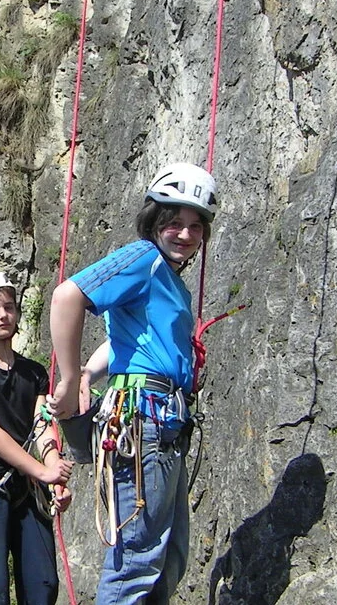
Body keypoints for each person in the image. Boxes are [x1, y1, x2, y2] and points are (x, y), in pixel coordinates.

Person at [47, 162, 220, 604]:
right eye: (174, 222)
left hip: (164, 421)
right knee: (138, 557)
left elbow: (123, 338)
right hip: (145, 418)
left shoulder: (168, 280)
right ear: (154, 221)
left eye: (195, 227)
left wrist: (87, 371)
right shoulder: (143, 258)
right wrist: (69, 378)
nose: (185, 233)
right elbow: (68, 295)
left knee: (170, 556)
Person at [0, 271, 74, 605]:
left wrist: (55, 475)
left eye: (9, 307)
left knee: (43, 586)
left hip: (27, 483)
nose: (4, 314)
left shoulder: (33, 372)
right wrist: (42, 472)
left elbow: (42, 424)